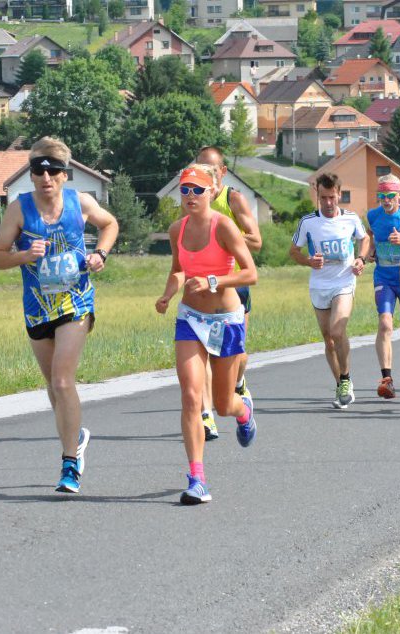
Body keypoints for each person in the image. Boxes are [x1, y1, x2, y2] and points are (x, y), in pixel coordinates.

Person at [0, 136, 119, 493]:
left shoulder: (81, 202)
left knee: (63, 381)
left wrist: (101, 255)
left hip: (75, 302)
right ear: (31, 175)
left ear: (65, 175)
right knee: (53, 388)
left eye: (53, 172)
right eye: (38, 171)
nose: (45, 178)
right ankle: (76, 434)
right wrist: (24, 256)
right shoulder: (19, 209)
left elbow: (110, 224)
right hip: (37, 307)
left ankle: (70, 463)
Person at [155, 164, 258, 505]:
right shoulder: (176, 229)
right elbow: (178, 270)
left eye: (197, 190)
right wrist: (168, 295)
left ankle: (243, 412)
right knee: (190, 396)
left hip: (225, 319)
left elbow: (250, 274)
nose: (190, 196)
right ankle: (196, 478)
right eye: (184, 190)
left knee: (223, 403)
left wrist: (214, 280)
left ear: (212, 192)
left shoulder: (223, 226)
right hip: (190, 318)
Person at [195, 146, 263, 441]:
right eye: (201, 168)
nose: (206, 175)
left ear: (222, 172)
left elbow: (257, 241)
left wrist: (227, 235)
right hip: (203, 288)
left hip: (235, 283)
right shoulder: (193, 200)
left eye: (211, 170)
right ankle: (206, 417)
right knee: (206, 355)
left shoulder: (233, 198)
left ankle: (238, 384)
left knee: (239, 356)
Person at [289, 172, 370, 409]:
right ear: (318, 195)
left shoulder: (351, 218)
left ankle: (345, 378)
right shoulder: (308, 222)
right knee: (329, 340)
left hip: (344, 282)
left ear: (338, 195)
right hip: (319, 285)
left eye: (332, 197)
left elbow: (364, 240)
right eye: (323, 198)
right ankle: (341, 386)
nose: (328, 203)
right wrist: (308, 261)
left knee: (337, 330)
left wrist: (361, 259)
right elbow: (293, 251)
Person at [365, 174, 400, 399]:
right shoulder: (373, 215)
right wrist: (369, 252)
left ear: (399, 195)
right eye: (382, 196)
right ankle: (386, 379)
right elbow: (370, 237)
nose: (386, 200)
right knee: (385, 324)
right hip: (384, 278)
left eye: (390, 195)